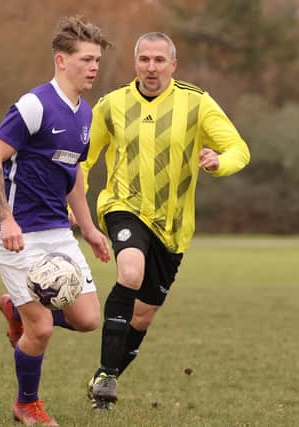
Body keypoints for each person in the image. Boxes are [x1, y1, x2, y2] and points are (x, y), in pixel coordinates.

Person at [80, 32, 251, 409]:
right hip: (123, 206)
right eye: (145, 59)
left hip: (173, 228)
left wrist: (218, 163)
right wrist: (71, 203)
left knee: (142, 317)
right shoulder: (111, 105)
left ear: (173, 64)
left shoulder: (197, 103)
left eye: (159, 60)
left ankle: (101, 379)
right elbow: (83, 160)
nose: (151, 67)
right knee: (129, 272)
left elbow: (239, 149)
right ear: (135, 63)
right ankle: (108, 378)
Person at [0, 16, 111, 426]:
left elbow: (73, 177)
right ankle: (27, 404)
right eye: (86, 59)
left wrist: (88, 230)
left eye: (97, 60)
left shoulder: (85, 115)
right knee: (42, 331)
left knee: (88, 320)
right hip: (16, 235)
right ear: (61, 60)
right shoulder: (34, 105)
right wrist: (7, 219)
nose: (94, 67)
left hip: (58, 231)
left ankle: (19, 309)